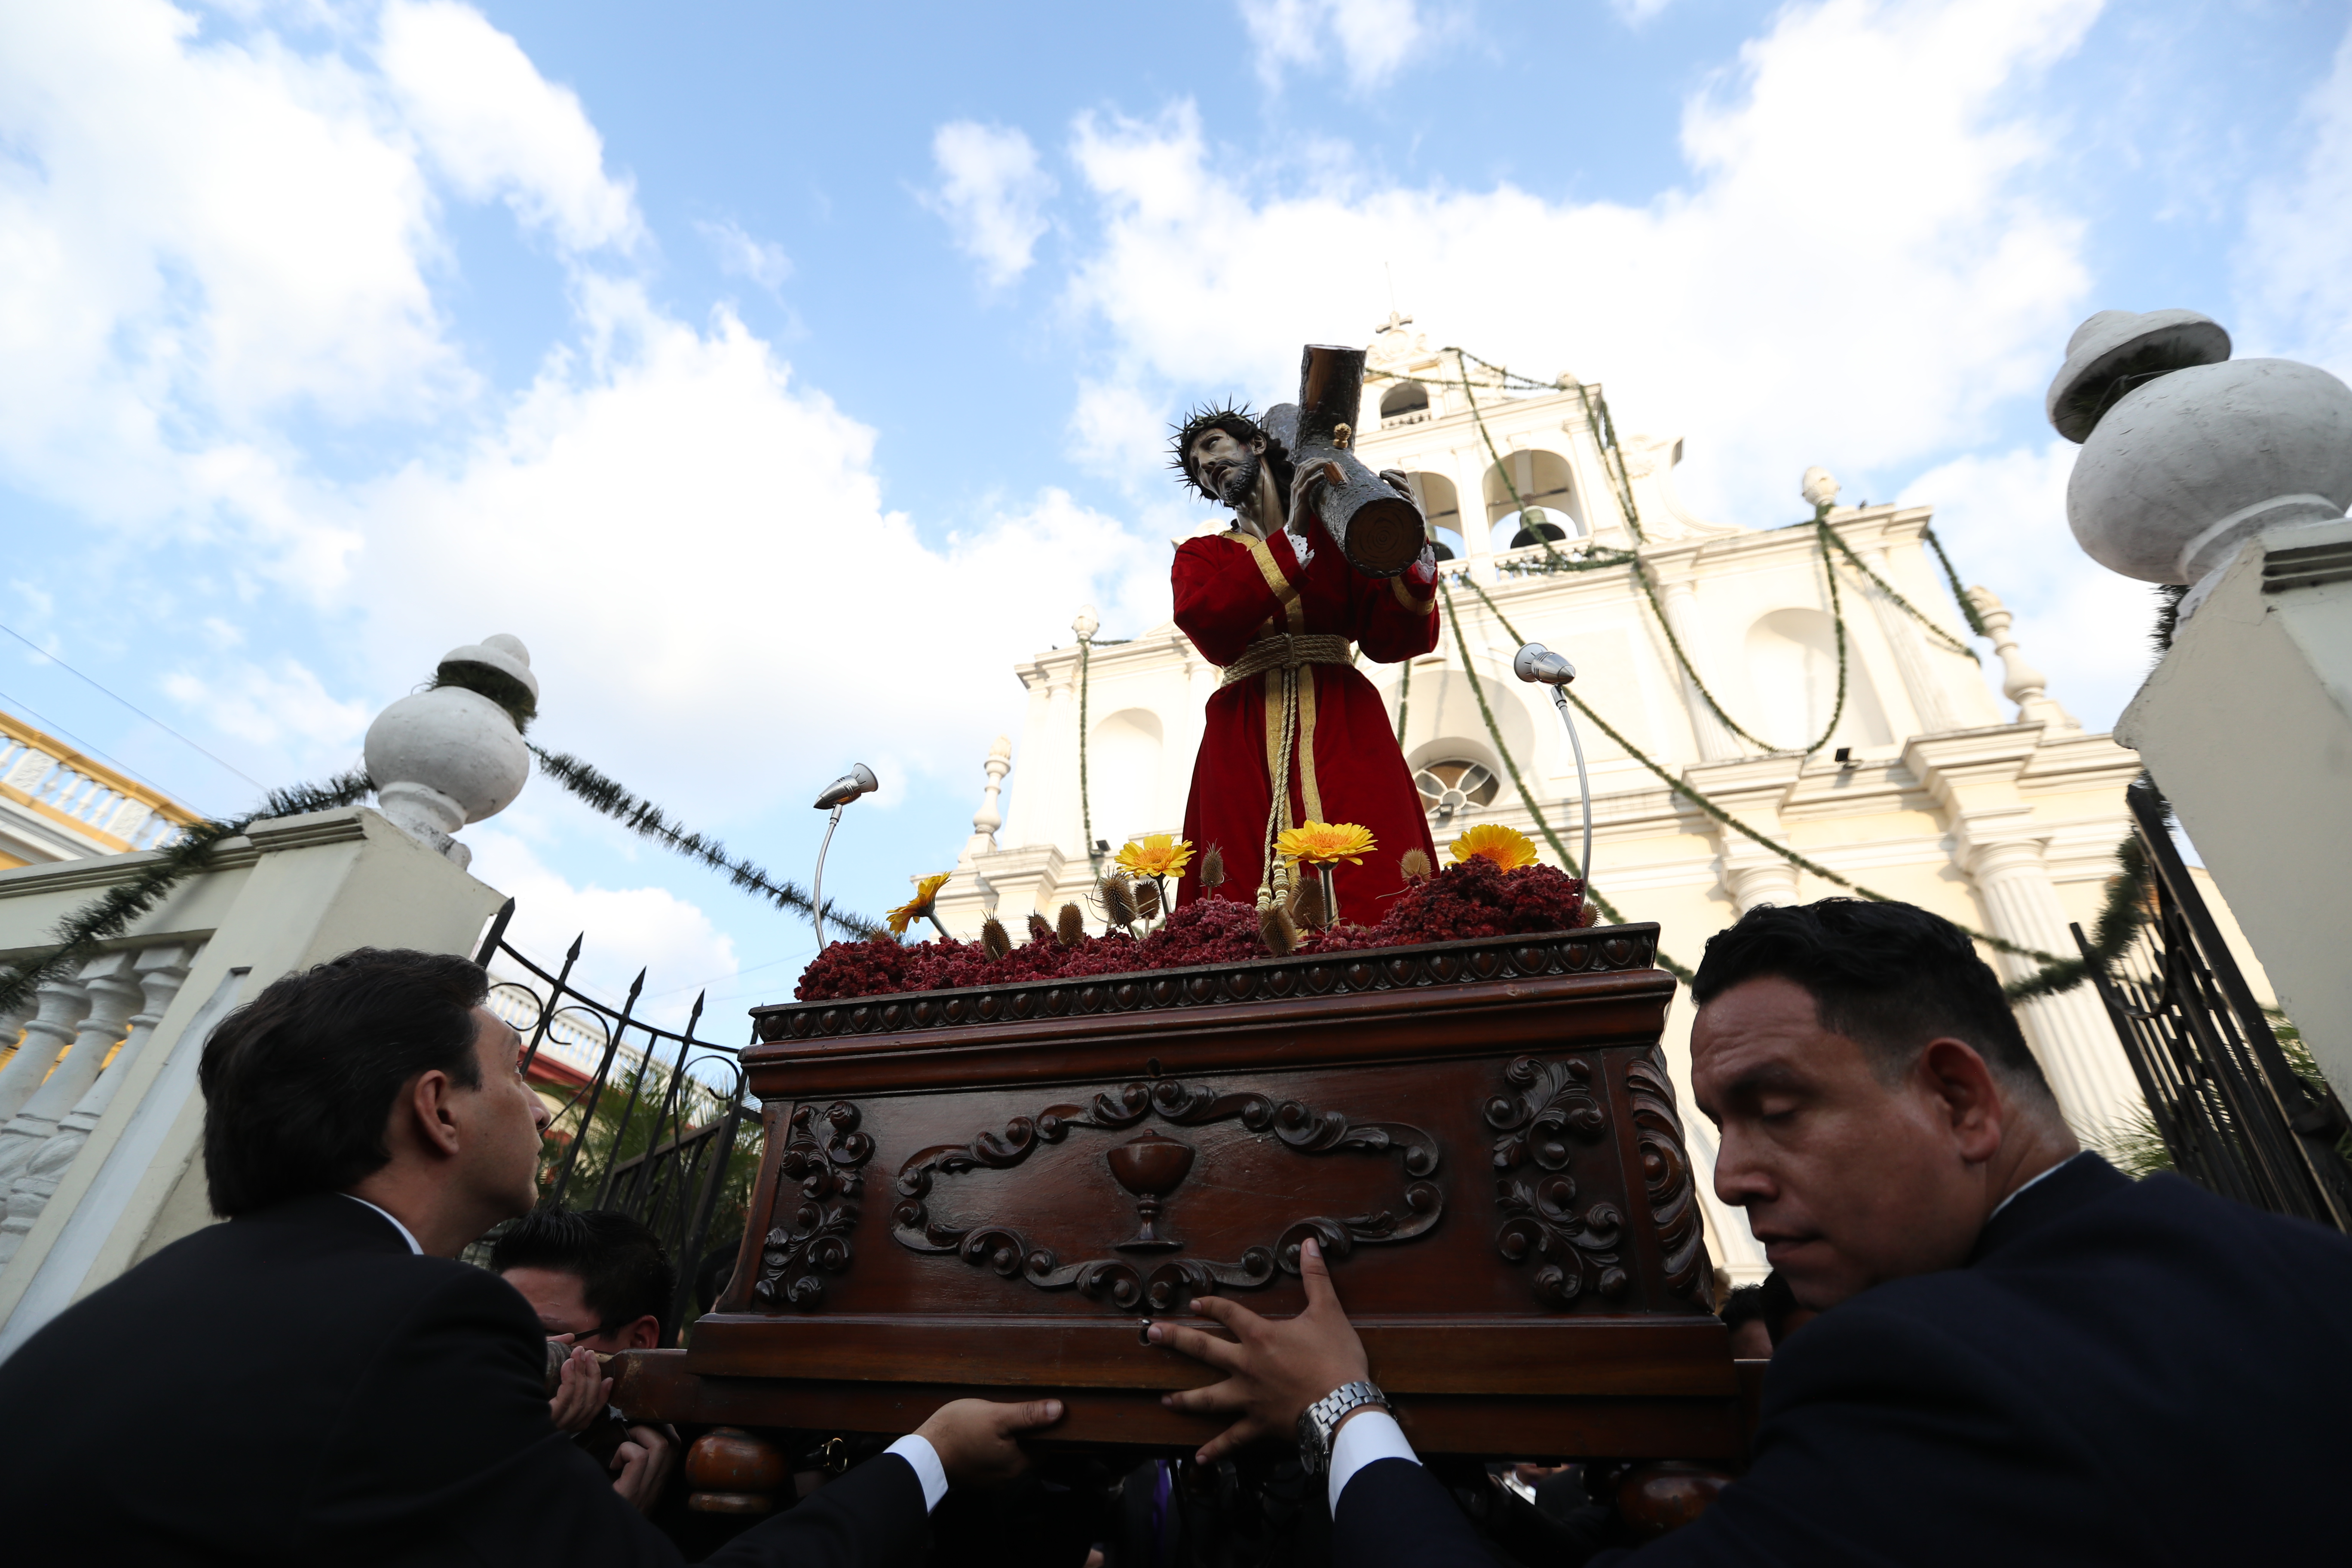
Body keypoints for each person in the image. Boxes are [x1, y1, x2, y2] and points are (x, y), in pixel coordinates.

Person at [1148, 898, 2352, 1563]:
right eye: (1719, 1124)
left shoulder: (1931, 1366)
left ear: (1958, 1097)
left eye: (1777, 1115)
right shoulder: (2306, 1269)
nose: (1729, 1183)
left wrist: (1342, 1412)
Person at [0, 947, 1060, 1566]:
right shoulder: (424, 1323)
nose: (543, 1109)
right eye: (513, 1071)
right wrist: (929, 1457)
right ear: (438, 1111)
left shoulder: (131, 1305)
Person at [1168, 403, 1441, 916]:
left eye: (1213, 445)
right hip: (1241, 729)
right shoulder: (1202, 555)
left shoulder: (1337, 535)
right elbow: (1208, 623)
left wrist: (1410, 548)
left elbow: (1393, 640)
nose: (1205, 463)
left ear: (1257, 445)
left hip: (1344, 717)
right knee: (1236, 877)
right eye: (1196, 464)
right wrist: (1291, 534)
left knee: (1377, 874)